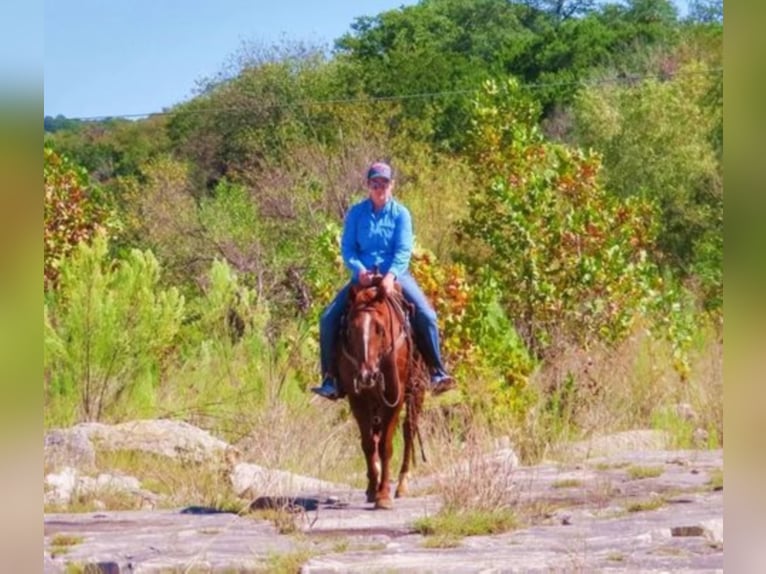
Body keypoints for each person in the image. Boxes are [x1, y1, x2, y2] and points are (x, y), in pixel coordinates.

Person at [311, 161, 456, 400]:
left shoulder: (401, 214)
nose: (380, 188)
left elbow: (403, 250)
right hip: (363, 278)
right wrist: (359, 270)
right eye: (375, 183)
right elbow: (348, 248)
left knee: (427, 315)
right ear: (368, 185)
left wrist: (390, 276)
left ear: (392, 185)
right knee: (328, 318)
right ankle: (330, 379)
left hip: (395, 276)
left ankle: (436, 372)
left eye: (384, 183)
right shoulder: (356, 213)